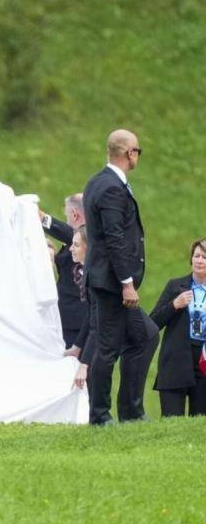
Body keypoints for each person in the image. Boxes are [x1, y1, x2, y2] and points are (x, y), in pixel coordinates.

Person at [82, 129, 159, 424]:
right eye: (138, 151)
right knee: (107, 349)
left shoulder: (97, 182)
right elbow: (114, 239)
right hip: (112, 284)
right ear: (130, 153)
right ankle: (100, 416)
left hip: (107, 281)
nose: (137, 155)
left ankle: (131, 411)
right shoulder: (113, 187)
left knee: (146, 335)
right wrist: (127, 283)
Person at [148, 238, 206, 416]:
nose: (199, 260)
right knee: (172, 422)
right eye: (196, 256)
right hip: (176, 360)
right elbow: (152, 323)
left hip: (204, 361)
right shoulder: (175, 286)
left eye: (204, 257)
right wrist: (174, 304)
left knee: (200, 424)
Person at [40, 194, 87, 349]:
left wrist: (43, 219)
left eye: (67, 214)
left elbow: (69, 234)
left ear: (74, 214)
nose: (66, 218)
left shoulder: (86, 237)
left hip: (74, 319)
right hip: (71, 315)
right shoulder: (80, 239)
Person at [68, 225, 95, 389]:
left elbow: (96, 321)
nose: (71, 248)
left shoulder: (95, 278)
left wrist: (84, 364)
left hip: (136, 339)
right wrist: (77, 347)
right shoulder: (85, 272)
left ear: (88, 247)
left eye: (76, 245)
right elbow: (91, 315)